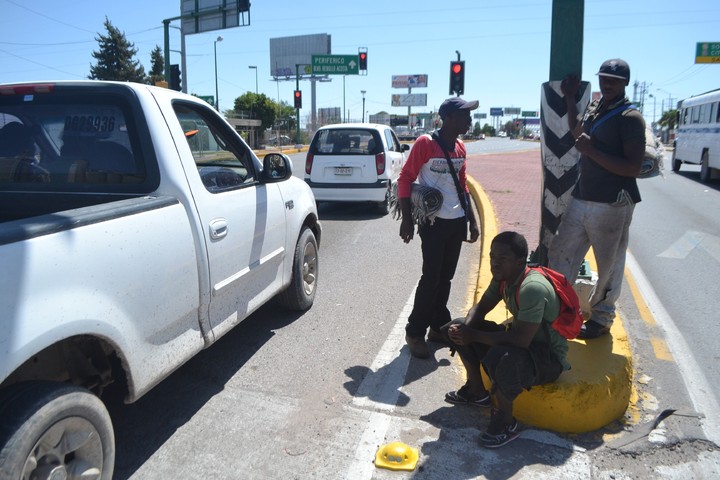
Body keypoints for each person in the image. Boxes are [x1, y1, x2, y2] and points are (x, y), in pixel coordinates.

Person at [548, 59, 646, 340]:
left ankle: (601, 319)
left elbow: (633, 168)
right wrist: (569, 98)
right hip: (583, 196)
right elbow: (578, 132)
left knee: (609, 265)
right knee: (560, 252)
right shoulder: (597, 107)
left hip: (612, 202)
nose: (607, 84)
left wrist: (592, 151)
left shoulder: (630, 118)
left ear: (625, 82)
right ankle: (560, 309)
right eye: (604, 78)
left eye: (613, 80)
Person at [444, 231, 570, 448]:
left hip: (547, 358)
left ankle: (506, 422)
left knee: (502, 356)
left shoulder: (532, 288)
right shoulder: (503, 277)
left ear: (520, 261)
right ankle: (476, 392)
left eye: (502, 259)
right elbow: (481, 307)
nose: (494, 263)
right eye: (493, 257)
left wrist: (472, 334)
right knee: (457, 325)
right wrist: (464, 329)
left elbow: (520, 340)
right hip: (524, 346)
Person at [398, 97, 480, 359]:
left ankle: (436, 327)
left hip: (456, 223)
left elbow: (463, 184)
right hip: (433, 223)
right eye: (466, 115)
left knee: (445, 278)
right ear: (450, 118)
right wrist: (407, 219)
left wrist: (472, 219)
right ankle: (414, 331)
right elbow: (406, 178)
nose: (470, 120)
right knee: (431, 278)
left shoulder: (460, 148)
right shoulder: (426, 144)